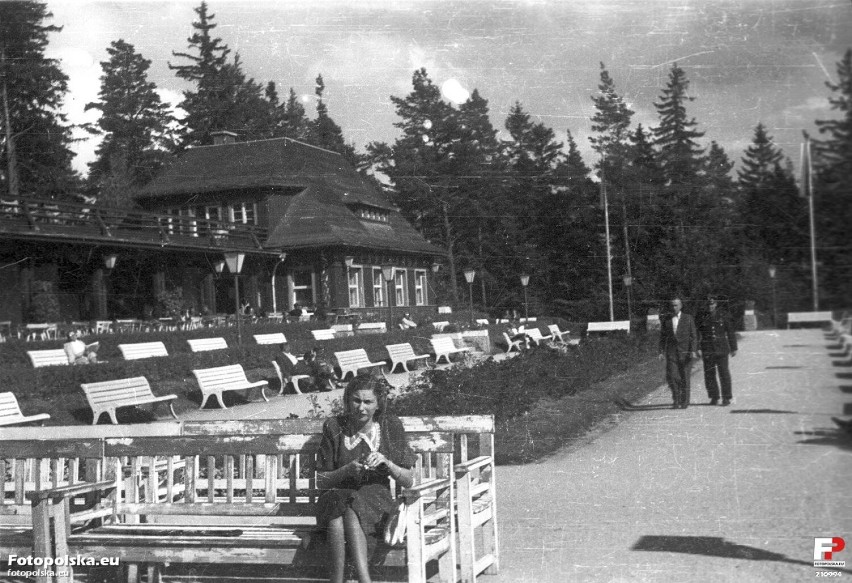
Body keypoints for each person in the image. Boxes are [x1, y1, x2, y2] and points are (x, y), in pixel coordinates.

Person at [315, 373, 416, 583]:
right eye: (356, 400)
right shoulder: (334, 426)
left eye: (368, 402)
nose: (361, 408)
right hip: (335, 498)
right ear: (347, 401)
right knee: (342, 504)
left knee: (344, 511)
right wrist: (347, 471)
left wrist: (386, 463)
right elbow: (321, 481)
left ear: (378, 404)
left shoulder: (389, 426)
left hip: (375, 501)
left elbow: (408, 480)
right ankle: (364, 579)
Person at [698, 295, 738, 406]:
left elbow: (730, 331)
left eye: (712, 304)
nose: (710, 306)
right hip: (708, 349)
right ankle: (714, 397)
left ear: (716, 304)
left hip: (721, 349)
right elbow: (697, 333)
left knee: (724, 373)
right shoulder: (702, 317)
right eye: (708, 304)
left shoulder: (723, 315)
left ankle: (726, 397)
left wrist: (733, 347)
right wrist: (698, 348)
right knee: (709, 374)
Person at [659, 297, 698, 409]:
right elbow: (663, 337)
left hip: (686, 353)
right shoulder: (667, 320)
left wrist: (693, 350)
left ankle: (684, 401)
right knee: (673, 376)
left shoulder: (688, 318)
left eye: (676, 305)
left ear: (680, 306)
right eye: (672, 305)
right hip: (672, 353)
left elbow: (694, 336)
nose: (674, 307)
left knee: (685, 377)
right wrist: (661, 351)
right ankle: (676, 400)